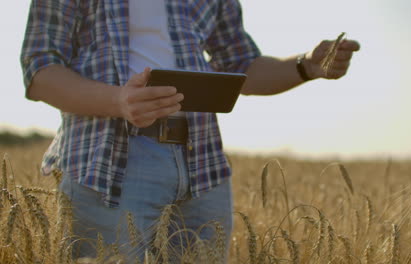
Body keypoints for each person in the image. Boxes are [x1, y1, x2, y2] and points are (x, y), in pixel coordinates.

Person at [20, 0, 360, 261]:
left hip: (203, 165)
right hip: (108, 166)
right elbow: (39, 70)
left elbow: (242, 64)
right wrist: (119, 101)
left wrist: (306, 66)